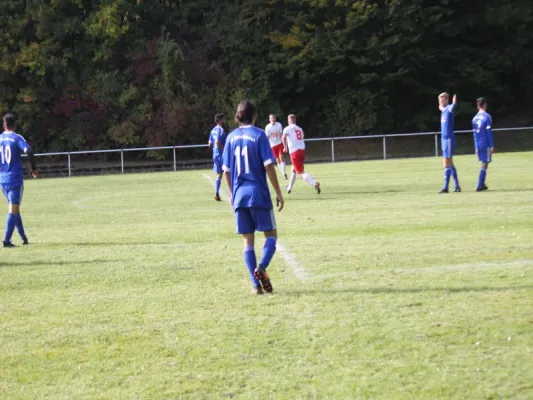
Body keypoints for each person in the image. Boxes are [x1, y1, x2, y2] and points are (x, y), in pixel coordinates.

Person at [222, 100, 284, 294]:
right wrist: (278, 192)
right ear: (254, 115)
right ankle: (262, 268)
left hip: (239, 196)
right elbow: (268, 165)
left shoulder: (230, 138)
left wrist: (232, 194)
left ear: (238, 116)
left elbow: (226, 171)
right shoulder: (259, 135)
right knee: (271, 236)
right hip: (258, 193)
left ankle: (256, 286)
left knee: (248, 242)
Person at [0, 113, 38, 247]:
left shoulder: (0, 139)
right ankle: (6, 241)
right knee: (13, 210)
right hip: (14, 179)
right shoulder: (16, 138)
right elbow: (29, 151)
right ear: (14, 125)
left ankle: (23, 237)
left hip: (3, 180)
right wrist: (33, 168)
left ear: (4, 125)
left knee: (14, 209)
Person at [282, 114, 320, 194]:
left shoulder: (287, 128)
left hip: (294, 152)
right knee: (293, 170)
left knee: (301, 172)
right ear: (295, 120)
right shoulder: (299, 128)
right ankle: (289, 188)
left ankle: (314, 183)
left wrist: (285, 147)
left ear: (289, 120)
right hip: (302, 151)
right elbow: (301, 137)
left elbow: (283, 137)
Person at [438, 92, 461, 193]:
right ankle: (454, 186)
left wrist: (454, 103)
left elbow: (452, 107)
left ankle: (448, 187)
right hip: (444, 139)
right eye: (440, 100)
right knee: (448, 163)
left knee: (448, 162)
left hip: (448, 139)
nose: (441, 101)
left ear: (447, 100)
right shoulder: (443, 110)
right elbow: (441, 107)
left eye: (443, 99)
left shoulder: (449, 108)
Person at [472, 97, 495, 192]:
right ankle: (479, 185)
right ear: (485, 105)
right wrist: (492, 145)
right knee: (485, 164)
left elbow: (474, 134)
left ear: (477, 106)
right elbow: (489, 131)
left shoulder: (474, 118)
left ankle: (483, 183)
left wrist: (476, 147)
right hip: (485, 142)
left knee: (484, 163)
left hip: (478, 143)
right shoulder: (487, 116)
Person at [207, 113, 226, 201]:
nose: (224, 120)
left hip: (215, 154)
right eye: (223, 119)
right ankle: (233, 194)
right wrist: (224, 149)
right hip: (221, 154)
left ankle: (217, 193)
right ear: (220, 120)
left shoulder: (213, 130)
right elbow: (218, 142)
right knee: (228, 172)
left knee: (219, 174)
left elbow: (209, 143)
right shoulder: (220, 130)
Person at [265, 114, 287, 179]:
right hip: (272, 145)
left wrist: (284, 144)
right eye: (271, 118)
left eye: (274, 118)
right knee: (277, 160)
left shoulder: (279, 125)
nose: (273, 119)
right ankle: (283, 173)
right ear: (269, 119)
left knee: (281, 157)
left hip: (279, 143)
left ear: (275, 118)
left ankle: (284, 173)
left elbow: (281, 134)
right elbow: (267, 137)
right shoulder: (267, 127)